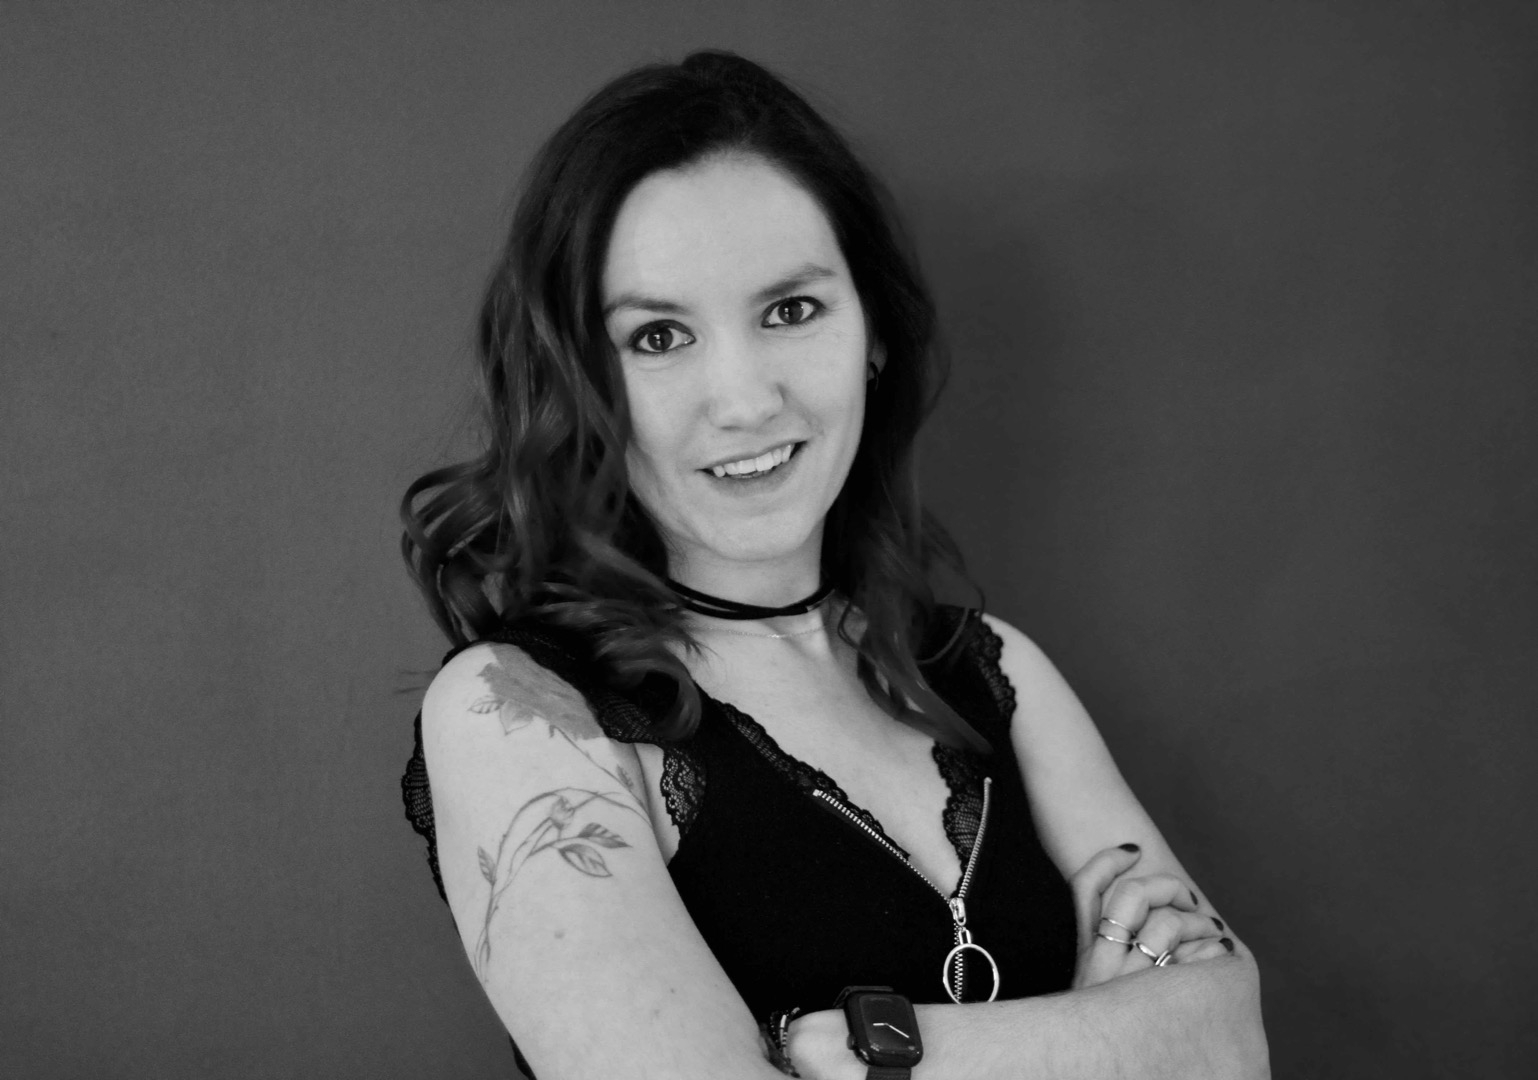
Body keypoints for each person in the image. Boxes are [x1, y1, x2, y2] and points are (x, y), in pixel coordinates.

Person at [400, 50, 1267, 1080]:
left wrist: (866, 1051)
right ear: (578, 379)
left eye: (791, 311)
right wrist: (1119, 1038)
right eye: (659, 336)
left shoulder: (995, 670)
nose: (745, 400)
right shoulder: (518, 713)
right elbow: (1180, 1040)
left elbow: (1229, 1042)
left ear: (872, 335)